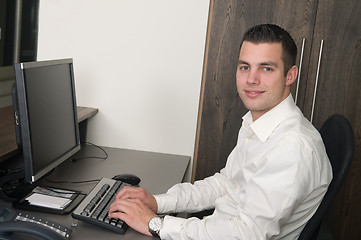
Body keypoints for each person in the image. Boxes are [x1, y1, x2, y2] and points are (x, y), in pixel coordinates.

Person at [109, 24, 332, 239]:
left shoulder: (291, 147)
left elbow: (247, 234)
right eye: (245, 67)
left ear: (290, 75)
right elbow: (226, 184)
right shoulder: (259, 123)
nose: (251, 79)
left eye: (266, 68)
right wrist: (158, 203)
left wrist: (155, 224)